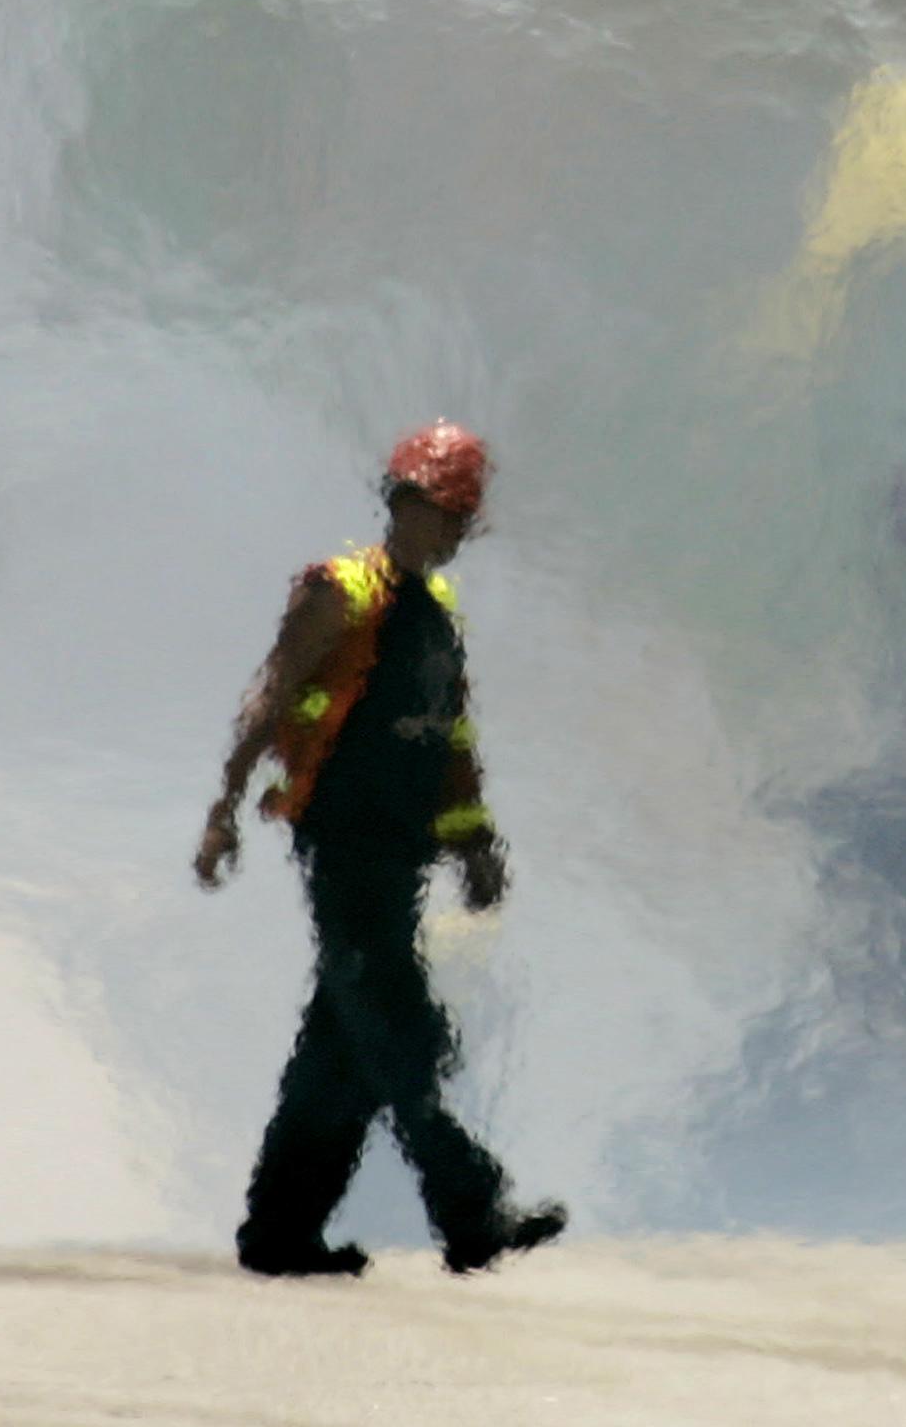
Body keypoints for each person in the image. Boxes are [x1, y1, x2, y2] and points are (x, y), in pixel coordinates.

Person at [196, 421, 567, 1277]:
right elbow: (271, 694)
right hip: (344, 844)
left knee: (341, 1050)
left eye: (460, 519)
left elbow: (452, 746)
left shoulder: (437, 623)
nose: (449, 532)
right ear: (401, 503)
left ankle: (281, 1234)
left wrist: (474, 845)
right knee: (404, 1028)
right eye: (439, 512)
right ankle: (472, 1212)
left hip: (401, 855)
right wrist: (223, 808)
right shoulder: (341, 591)